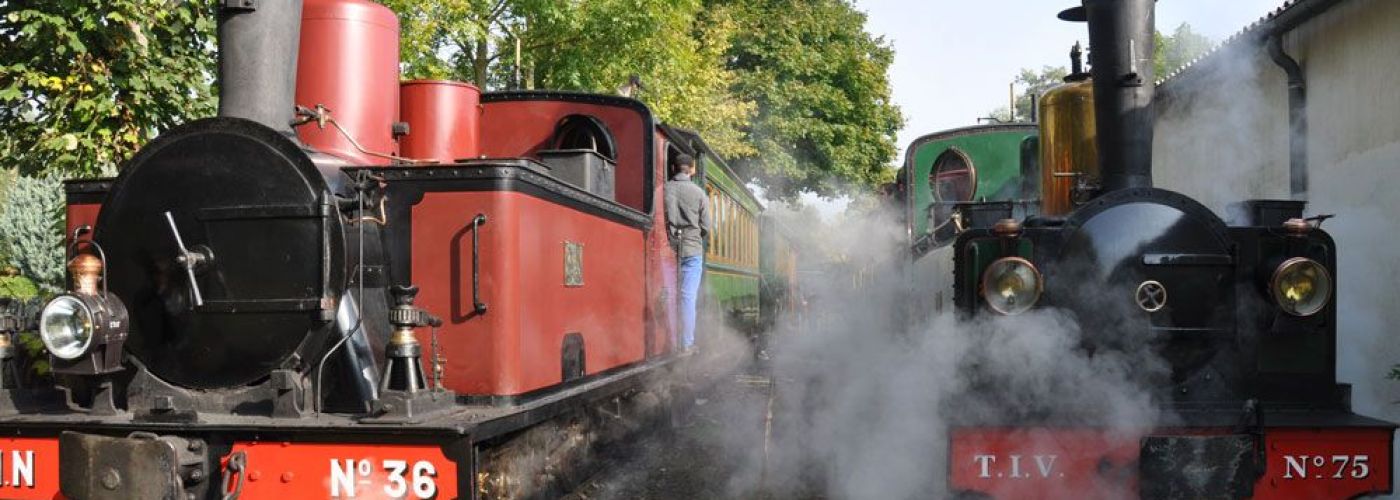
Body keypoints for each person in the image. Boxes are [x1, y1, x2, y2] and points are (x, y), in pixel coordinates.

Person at [665, 154, 710, 352]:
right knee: (687, 296)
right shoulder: (699, 193)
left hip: (667, 248)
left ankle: (668, 341)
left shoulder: (664, 189)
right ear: (692, 169)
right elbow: (706, 226)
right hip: (692, 250)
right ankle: (686, 343)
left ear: (674, 167)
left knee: (668, 295)